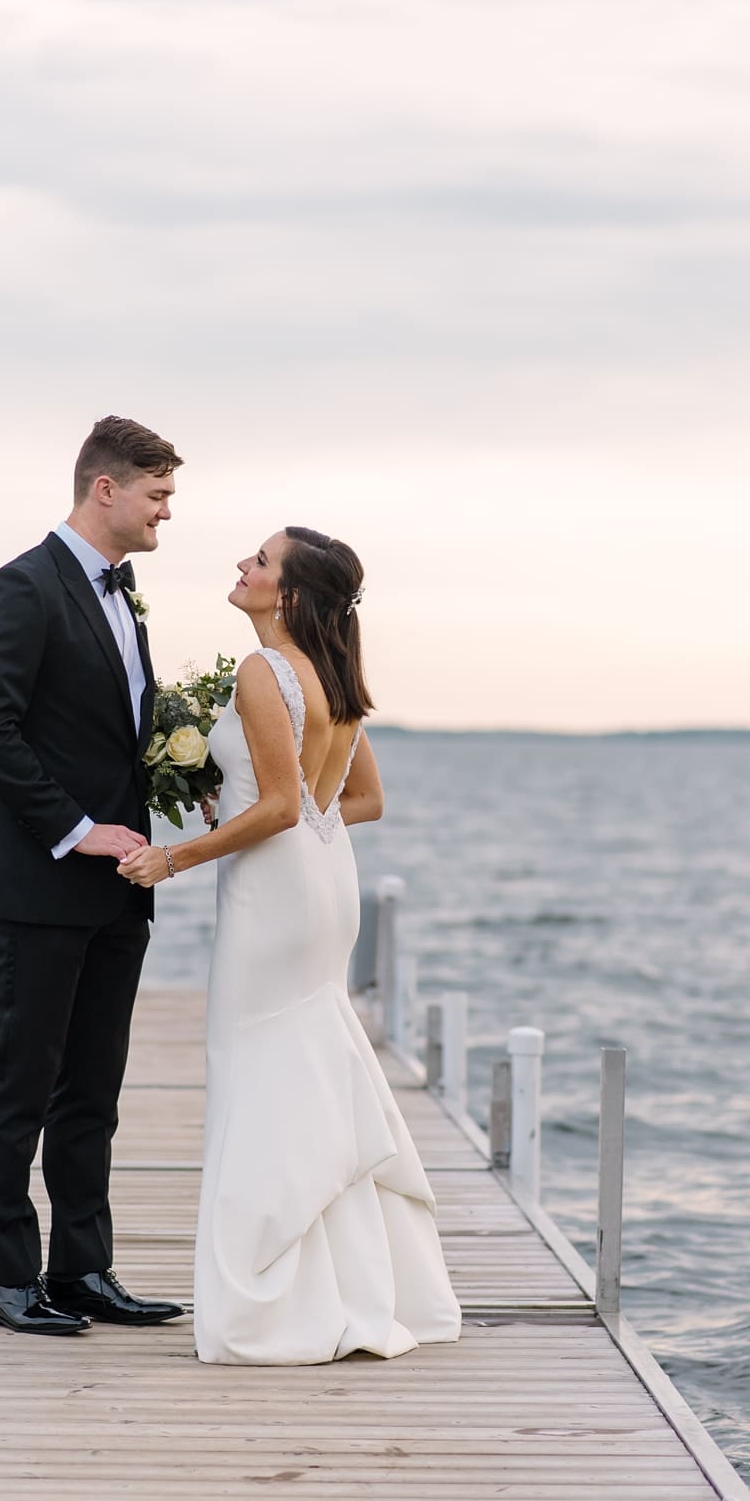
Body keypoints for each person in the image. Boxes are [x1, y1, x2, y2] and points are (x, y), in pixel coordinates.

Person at [119, 526, 462, 1364]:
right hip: (321, 881)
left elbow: (275, 806)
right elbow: (361, 799)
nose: (243, 566)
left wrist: (176, 856)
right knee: (306, 1056)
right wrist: (291, 822)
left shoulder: (264, 670)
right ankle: (348, 1280)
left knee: (258, 1065)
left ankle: (273, 1294)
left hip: (275, 897)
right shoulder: (336, 676)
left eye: (260, 562)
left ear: (292, 595)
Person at [0, 415, 186, 1336]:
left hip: (122, 887)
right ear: (106, 489)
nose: (167, 515)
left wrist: (183, 782)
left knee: (94, 1089)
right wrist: (78, 828)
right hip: (42, 882)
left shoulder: (122, 596)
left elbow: (113, 733)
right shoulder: (22, 587)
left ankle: (83, 1269)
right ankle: (10, 1281)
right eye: (158, 496)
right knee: (21, 1085)